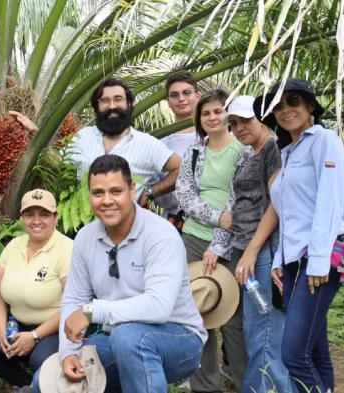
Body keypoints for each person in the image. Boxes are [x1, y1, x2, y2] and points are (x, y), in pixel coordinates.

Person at [34, 154, 206, 393]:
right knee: (46, 381)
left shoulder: (161, 235)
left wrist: (92, 311)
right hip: (114, 337)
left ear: (132, 190)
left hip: (179, 338)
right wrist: (68, 353)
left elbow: (159, 306)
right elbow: (74, 299)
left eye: (116, 191)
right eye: (98, 193)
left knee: (128, 339)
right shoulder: (86, 237)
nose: (107, 201)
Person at [256, 78, 344, 393]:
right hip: (296, 260)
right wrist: (279, 260)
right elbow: (290, 213)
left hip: (318, 257)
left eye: (293, 101)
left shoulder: (324, 140)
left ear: (310, 106)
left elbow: (329, 202)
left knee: (294, 354)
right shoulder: (290, 151)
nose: (285, 110)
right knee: (314, 351)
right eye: (278, 106)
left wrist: (320, 260)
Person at [204, 95, 290, 393]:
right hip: (247, 251)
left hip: (263, 253)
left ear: (263, 117)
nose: (239, 128)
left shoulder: (273, 150)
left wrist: (252, 251)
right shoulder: (250, 153)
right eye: (235, 123)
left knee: (265, 331)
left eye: (246, 120)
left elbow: (277, 205)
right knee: (256, 329)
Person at [174, 89, 246, 392]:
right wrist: (217, 219)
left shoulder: (244, 150)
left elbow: (240, 199)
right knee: (197, 312)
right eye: (206, 113)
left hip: (233, 242)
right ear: (199, 119)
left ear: (228, 114)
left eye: (218, 111)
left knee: (233, 319)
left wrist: (219, 242)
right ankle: (205, 386)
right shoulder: (193, 153)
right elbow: (185, 196)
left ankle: (246, 383)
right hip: (192, 237)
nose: (213, 117)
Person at [0, 189, 72, 391]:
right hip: (16, 324)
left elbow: (73, 305)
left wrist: (35, 336)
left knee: (41, 360)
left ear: (56, 217)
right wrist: (2, 331)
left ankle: (44, 384)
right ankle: (25, 385)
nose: (36, 221)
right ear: (22, 217)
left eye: (44, 214)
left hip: (54, 328)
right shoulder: (14, 245)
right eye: (30, 214)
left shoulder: (67, 250)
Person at [67, 78, 181, 206]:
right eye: (104, 101)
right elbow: (58, 166)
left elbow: (181, 169)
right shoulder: (83, 136)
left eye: (118, 99)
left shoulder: (146, 143)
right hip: (81, 224)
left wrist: (150, 192)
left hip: (129, 225)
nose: (112, 106)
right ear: (96, 106)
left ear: (129, 103)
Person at [150, 70, 203, 216]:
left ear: (198, 96)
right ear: (168, 101)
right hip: (176, 221)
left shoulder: (216, 135)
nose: (181, 99)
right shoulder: (160, 143)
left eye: (187, 93)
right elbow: (158, 195)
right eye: (174, 95)